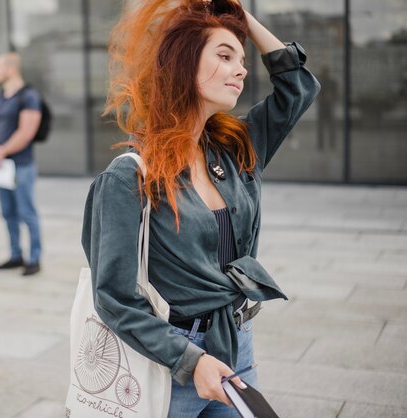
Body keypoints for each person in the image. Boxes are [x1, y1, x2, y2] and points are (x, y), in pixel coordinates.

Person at [81, 0, 320, 416]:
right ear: (184, 64)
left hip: (236, 344)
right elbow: (114, 296)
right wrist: (191, 362)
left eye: (242, 60)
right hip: (170, 360)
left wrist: (240, 17)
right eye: (224, 56)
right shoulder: (130, 176)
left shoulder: (236, 148)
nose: (242, 70)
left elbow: (298, 87)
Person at [0, 52, 43, 276]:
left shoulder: (29, 96)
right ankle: (16, 255)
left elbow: (27, 131)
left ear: (11, 69)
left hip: (21, 166)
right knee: (8, 212)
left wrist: (3, 150)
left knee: (27, 212)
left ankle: (35, 258)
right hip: (2, 166)